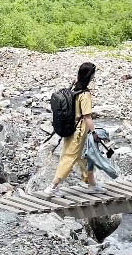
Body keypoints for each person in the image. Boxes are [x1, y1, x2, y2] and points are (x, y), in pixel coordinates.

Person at [44, 62, 105, 197]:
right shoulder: (85, 94)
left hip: (70, 126)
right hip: (79, 131)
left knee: (84, 157)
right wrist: (94, 132)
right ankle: (52, 186)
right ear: (90, 76)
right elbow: (87, 116)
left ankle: (91, 184)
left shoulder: (74, 89)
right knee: (69, 157)